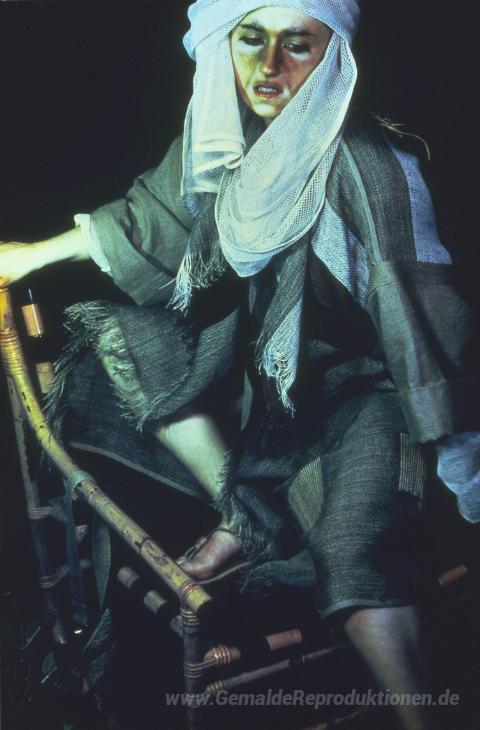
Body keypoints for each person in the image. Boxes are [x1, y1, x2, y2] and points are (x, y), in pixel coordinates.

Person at [1, 1, 479, 727]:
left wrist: (464, 464)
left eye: (298, 46)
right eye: (250, 40)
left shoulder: (373, 165)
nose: (268, 68)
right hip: (272, 388)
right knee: (119, 342)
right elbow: (155, 217)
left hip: (368, 396)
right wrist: (31, 255)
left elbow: (422, 322)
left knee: (353, 553)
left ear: (335, 56)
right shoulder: (228, 132)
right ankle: (245, 514)